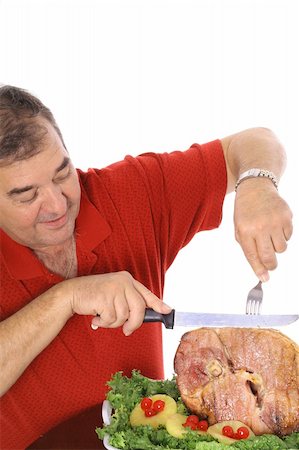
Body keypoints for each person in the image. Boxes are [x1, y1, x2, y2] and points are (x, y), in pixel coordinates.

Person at [0, 84, 293, 449]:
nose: (58, 205)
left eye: (62, 174)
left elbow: (253, 142)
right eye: (27, 195)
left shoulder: (130, 194)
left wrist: (257, 185)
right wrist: (66, 298)